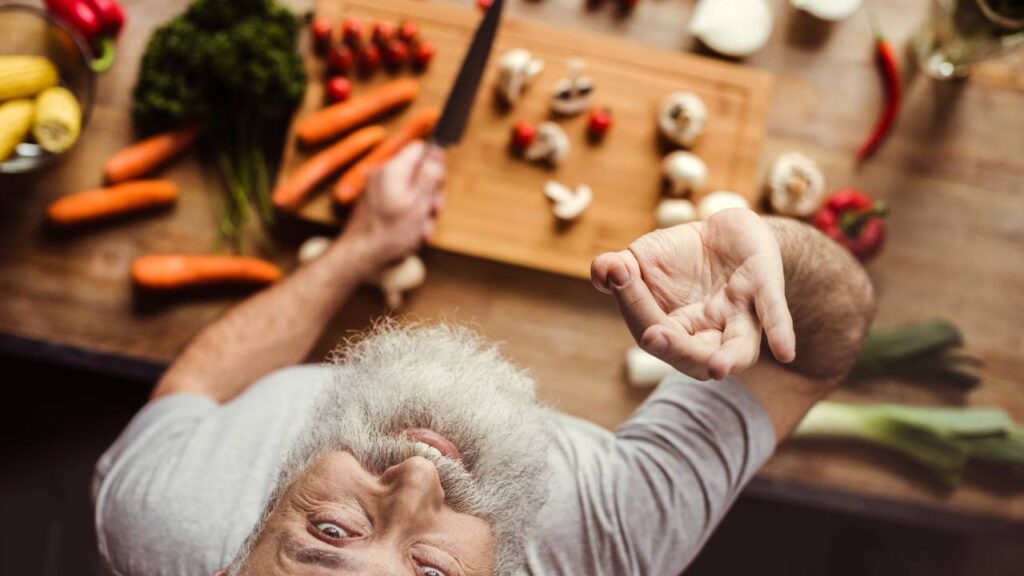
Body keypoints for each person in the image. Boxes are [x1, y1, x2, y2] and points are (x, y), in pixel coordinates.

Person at [92, 141, 875, 576]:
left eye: (329, 534)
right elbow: (815, 353)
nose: (417, 476)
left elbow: (193, 388)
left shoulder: (159, 516)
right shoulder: (602, 542)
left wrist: (356, 253)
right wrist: (771, 254)